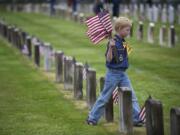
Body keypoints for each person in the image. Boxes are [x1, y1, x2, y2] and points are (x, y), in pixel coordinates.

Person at [86, 17, 143, 127]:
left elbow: (125, 54)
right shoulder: (113, 42)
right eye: (127, 30)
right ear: (120, 29)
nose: (128, 32)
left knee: (132, 96)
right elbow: (108, 59)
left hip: (123, 74)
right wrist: (111, 48)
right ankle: (92, 118)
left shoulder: (122, 42)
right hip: (113, 74)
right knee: (105, 97)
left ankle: (136, 119)